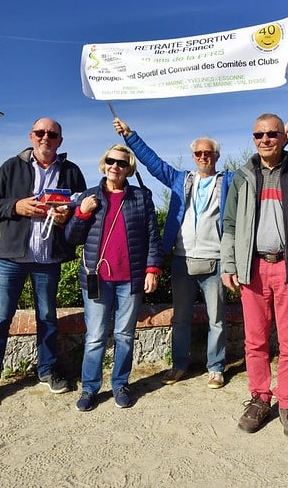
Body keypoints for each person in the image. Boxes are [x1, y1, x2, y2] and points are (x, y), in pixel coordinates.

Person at [220, 114, 288, 440]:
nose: (264, 139)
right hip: (252, 268)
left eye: (271, 134)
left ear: (283, 137)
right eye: (258, 135)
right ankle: (260, 399)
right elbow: (230, 224)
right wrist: (229, 264)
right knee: (255, 341)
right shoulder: (242, 177)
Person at [0, 117, 87, 409]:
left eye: (52, 134)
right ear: (31, 136)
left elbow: (82, 210)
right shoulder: (12, 166)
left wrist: (67, 217)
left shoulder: (71, 172)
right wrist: (16, 206)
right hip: (12, 258)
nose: (45, 137)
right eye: (40, 132)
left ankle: (47, 370)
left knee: (47, 318)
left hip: (48, 258)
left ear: (60, 140)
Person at [114, 117, 233, 389]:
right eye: (198, 153)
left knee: (217, 319)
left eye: (208, 153)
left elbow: (257, 169)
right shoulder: (181, 180)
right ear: (193, 156)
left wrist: (283, 138)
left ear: (217, 156)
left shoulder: (229, 181)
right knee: (180, 319)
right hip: (181, 259)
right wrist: (130, 136)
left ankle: (216, 368)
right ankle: (179, 365)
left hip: (215, 260)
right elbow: (153, 163)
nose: (203, 157)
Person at [66, 144, 163, 412]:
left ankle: (120, 384)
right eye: (111, 161)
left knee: (124, 336)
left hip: (130, 279)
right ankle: (89, 388)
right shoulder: (89, 196)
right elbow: (72, 237)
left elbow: (153, 237)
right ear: (104, 163)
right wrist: (82, 212)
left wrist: (152, 270)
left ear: (129, 168)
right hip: (97, 279)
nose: (115, 166)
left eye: (121, 163)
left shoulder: (141, 197)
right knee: (95, 337)